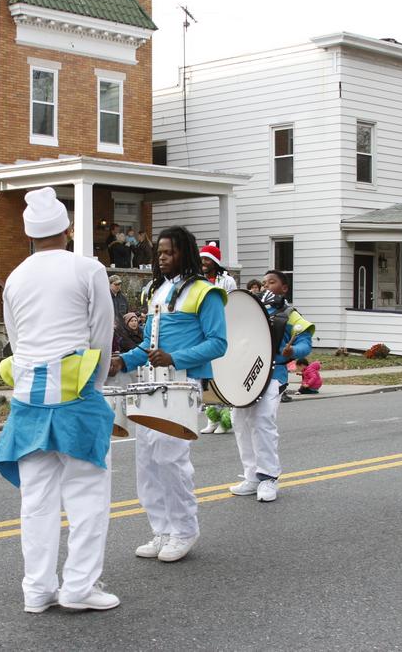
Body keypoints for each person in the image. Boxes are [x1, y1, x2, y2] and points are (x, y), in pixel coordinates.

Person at [0, 186, 119, 613]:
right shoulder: (89, 268)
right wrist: (95, 387)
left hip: (28, 397)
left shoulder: (16, 276)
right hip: (76, 392)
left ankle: (37, 589)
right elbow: (101, 334)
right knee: (86, 495)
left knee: (36, 499)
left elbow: (16, 339)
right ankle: (79, 587)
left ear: (28, 234)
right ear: (67, 228)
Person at [111, 225, 228, 562]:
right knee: (147, 460)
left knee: (171, 459)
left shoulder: (205, 293)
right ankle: (161, 529)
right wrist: (122, 361)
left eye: (169, 252)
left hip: (180, 382)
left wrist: (176, 358)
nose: (161, 258)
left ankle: (184, 530)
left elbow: (218, 343)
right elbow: (149, 346)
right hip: (150, 381)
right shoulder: (156, 291)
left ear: (185, 253)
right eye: (159, 252)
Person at [230, 271, 314, 502]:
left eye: (272, 282)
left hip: (273, 372)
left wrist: (293, 351)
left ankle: (268, 477)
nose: (266, 285)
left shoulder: (290, 314)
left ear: (284, 288)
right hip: (246, 373)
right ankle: (251, 475)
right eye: (264, 282)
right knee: (240, 420)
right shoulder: (253, 310)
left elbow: (306, 344)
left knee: (262, 421)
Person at [198, 244, 237, 435]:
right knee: (207, 378)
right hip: (202, 334)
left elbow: (233, 305)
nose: (203, 263)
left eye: (207, 259)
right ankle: (211, 418)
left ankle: (225, 419)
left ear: (215, 262)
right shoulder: (197, 280)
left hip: (220, 332)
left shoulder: (227, 281)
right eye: (202, 259)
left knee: (222, 376)